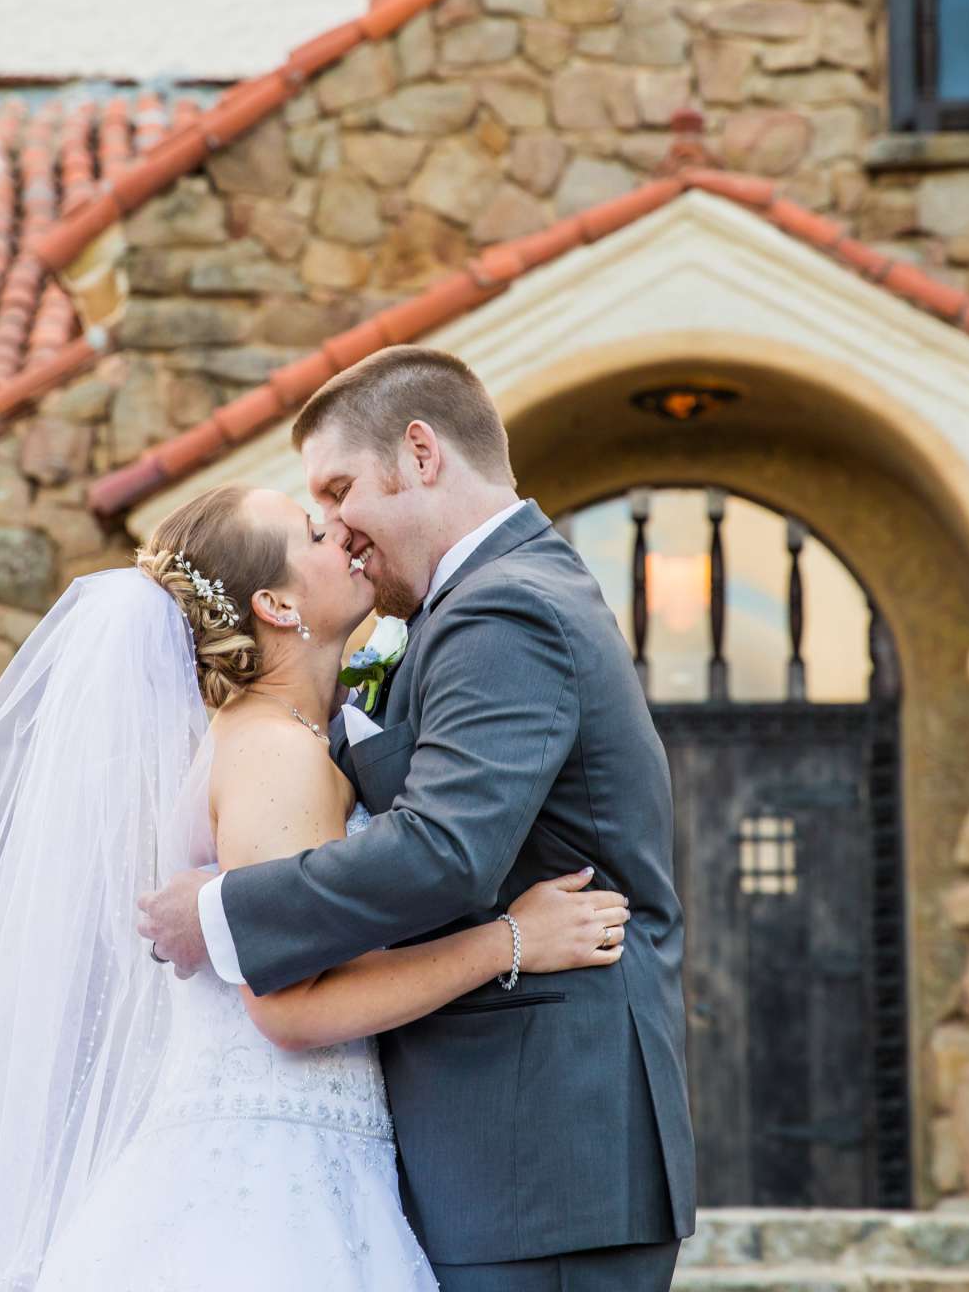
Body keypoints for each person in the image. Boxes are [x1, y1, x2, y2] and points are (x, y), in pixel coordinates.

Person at [0, 476, 631, 1292]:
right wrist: (513, 941)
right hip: (269, 1184)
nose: (344, 537)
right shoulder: (273, 756)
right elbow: (289, 1007)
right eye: (315, 537)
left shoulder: (289, 741)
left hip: (302, 1157)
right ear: (278, 607)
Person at [140, 345, 696, 1291]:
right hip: (501, 1151)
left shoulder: (505, 609)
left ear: (423, 453)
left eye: (340, 489)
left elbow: (445, 851)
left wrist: (226, 911)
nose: (337, 528)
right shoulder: (470, 608)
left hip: (538, 1153)